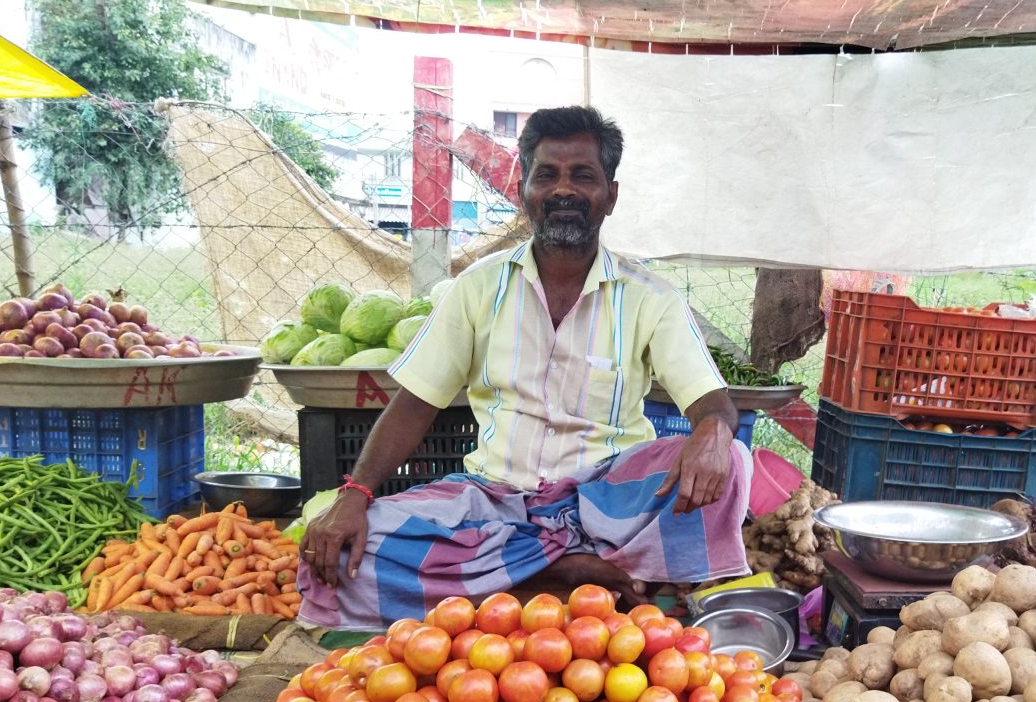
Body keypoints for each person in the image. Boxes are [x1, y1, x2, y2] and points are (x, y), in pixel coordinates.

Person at [297, 106, 751, 631]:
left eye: (583, 176)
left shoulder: (651, 297)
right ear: (523, 191)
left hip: (606, 503)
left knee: (733, 460)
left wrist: (714, 430)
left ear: (610, 196)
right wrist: (356, 494)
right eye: (547, 174)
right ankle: (569, 574)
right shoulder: (478, 287)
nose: (564, 190)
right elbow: (415, 404)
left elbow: (711, 402)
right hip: (495, 501)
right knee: (344, 550)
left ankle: (513, 582)